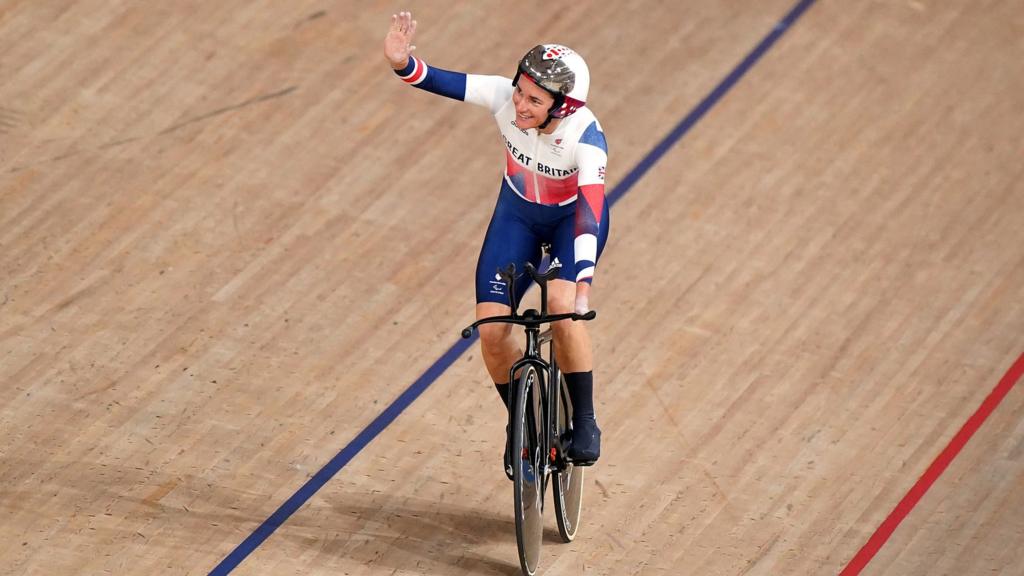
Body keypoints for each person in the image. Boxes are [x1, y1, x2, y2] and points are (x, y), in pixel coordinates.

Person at [384, 12, 609, 474]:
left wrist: (582, 281)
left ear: (561, 107)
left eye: (534, 100)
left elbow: (590, 210)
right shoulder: (506, 99)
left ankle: (585, 420)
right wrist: (403, 63)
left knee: (564, 310)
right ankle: (522, 423)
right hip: (518, 218)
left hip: (570, 225)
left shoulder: (586, 138)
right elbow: (443, 81)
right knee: (490, 331)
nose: (520, 105)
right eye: (519, 91)